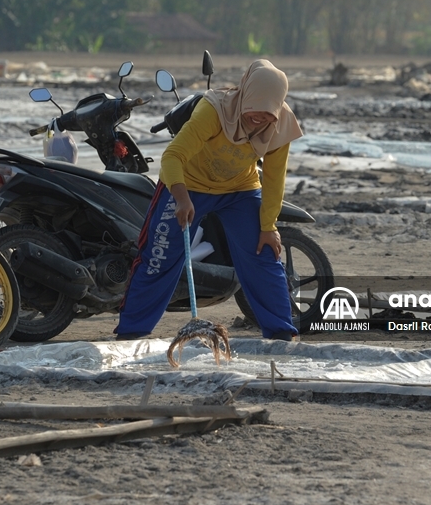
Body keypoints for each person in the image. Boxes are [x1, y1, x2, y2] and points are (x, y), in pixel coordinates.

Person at [114, 59, 304, 341]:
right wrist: (181, 199)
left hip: (239, 190)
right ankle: (131, 332)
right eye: (255, 108)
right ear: (245, 94)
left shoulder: (281, 126)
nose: (259, 117)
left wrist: (269, 226)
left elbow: (275, 180)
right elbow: (172, 156)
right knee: (160, 255)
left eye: (268, 113)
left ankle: (280, 334)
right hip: (186, 185)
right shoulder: (214, 109)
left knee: (264, 254)